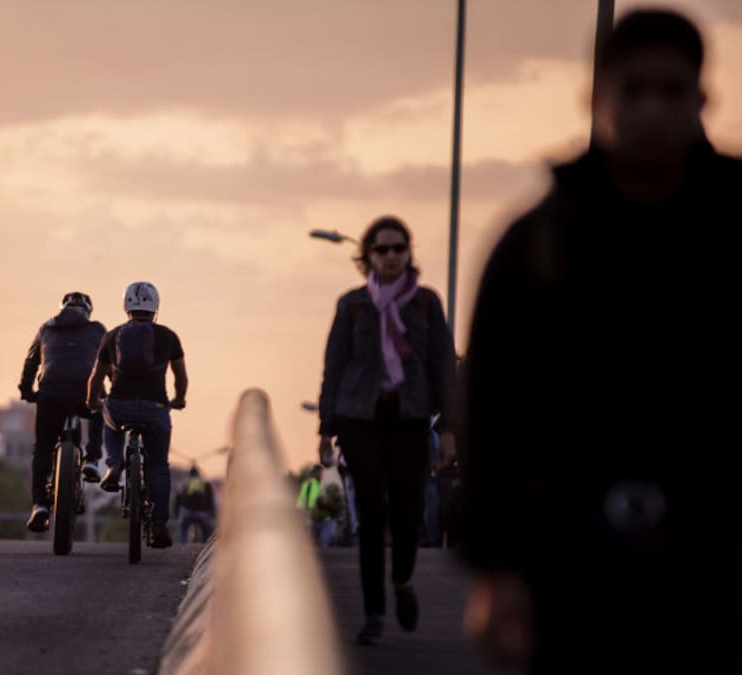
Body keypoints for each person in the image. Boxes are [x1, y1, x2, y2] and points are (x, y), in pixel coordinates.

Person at [461, 10, 741, 673]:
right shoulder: (538, 242)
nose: (652, 111)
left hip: (722, 566)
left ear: (701, 99)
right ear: (597, 99)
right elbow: (492, 409)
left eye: (671, 91)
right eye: (633, 90)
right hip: (572, 573)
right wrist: (496, 568)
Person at [317, 215, 457, 646]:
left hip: (410, 418)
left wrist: (449, 428)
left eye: (399, 248)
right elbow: (334, 367)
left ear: (409, 253)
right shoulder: (352, 305)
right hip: (359, 418)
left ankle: (402, 581)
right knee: (371, 515)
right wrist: (325, 428)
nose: (391, 256)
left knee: (408, 511)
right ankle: (374, 614)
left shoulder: (427, 304)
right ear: (368, 256)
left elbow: (443, 366)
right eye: (382, 249)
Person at [87, 281, 188, 549]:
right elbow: (180, 376)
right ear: (156, 307)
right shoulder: (169, 336)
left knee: (108, 419)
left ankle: (114, 463)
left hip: (119, 406)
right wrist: (179, 399)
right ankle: (158, 526)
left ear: (126, 306)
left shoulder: (112, 336)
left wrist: (92, 401)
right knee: (158, 466)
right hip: (156, 409)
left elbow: (96, 377)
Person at [18, 291, 107, 532]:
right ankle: (92, 458)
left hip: (51, 391)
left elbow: (31, 361)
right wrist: (111, 389)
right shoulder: (97, 330)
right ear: (88, 311)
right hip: (84, 389)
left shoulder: (46, 328)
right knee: (98, 407)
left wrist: (26, 390)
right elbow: (109, 361)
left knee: (43, 447)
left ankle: (39, 504)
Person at [173, 465, 216, 544]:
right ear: (198, 473)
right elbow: (210, 499)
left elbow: (178, 499)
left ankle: (183, 544)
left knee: (183, 527)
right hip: (202, 512)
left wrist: (176, 513)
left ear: (190, 474)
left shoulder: (184, 483)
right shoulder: (204, 483)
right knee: (207, 529)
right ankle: (205, 544)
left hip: (187, 511)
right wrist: (212, 513)